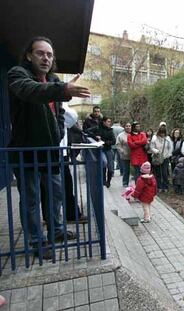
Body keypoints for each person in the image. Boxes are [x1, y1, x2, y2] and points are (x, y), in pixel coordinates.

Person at [7, 37, 89, 257]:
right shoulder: (18, 75)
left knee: (56, 194)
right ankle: (37, 242)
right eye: (40, 53)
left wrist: (58, 133)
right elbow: (31, 91)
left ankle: (57, 231)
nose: (46, 58)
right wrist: (62, 88)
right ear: (28, 55)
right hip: (26, 149)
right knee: (31, 199)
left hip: (50, 150)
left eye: (50, 55)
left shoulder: (52, 79)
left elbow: (59, 113)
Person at [86, 116, 116, 188]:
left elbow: (113, 141)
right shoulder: (97, 128)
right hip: (101, 149)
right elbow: (87, 131)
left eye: (110, 122)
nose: (109, 123)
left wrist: (105, 142)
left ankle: (108, 181)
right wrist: (95, 137)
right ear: (104, 122)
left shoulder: (110, 130)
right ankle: (103, 180)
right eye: (108, 121)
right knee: (104, 162)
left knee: (111, 168)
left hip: (108, 149)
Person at [150, 127, 172, 192]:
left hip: (165, 158)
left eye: (163, 133)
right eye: (161, 133)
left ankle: (165, 186)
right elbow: (152, 147)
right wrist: (156, 151)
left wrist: (168, 155)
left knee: (164, 173)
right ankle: (159, 186)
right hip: (157, 157)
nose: (162, 134)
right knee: (158, 173)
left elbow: (170, 147)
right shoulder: (155, 138)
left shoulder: (168, 139)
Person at [116, 122, 132, 187]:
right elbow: (118, 145)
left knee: (137, 170)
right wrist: (122, 151)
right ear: (124, 127)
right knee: (126, 169)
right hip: (125, 155)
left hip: (134, 155)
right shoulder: (120, 135)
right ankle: (125, 182)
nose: (128, 127)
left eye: (129, 126)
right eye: (126, 126)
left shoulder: (134, 134)